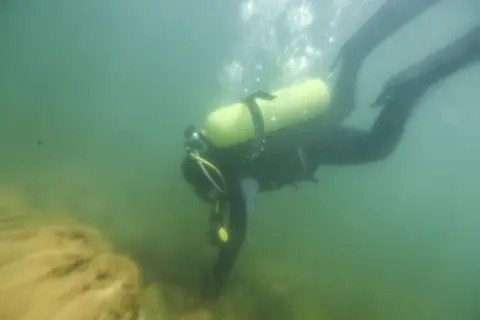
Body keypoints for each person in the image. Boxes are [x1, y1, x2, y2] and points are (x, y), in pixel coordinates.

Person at [181, 0, 480, 299]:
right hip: (307, 128)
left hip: (314, 145)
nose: (206, 197)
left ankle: (409, 90)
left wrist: (215, 284)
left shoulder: (239, 177)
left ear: (210, 179)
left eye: (204, 191)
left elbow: (240, 231)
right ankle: (355, 53)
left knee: (378, 146)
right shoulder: (225, 151)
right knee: (344, 106)